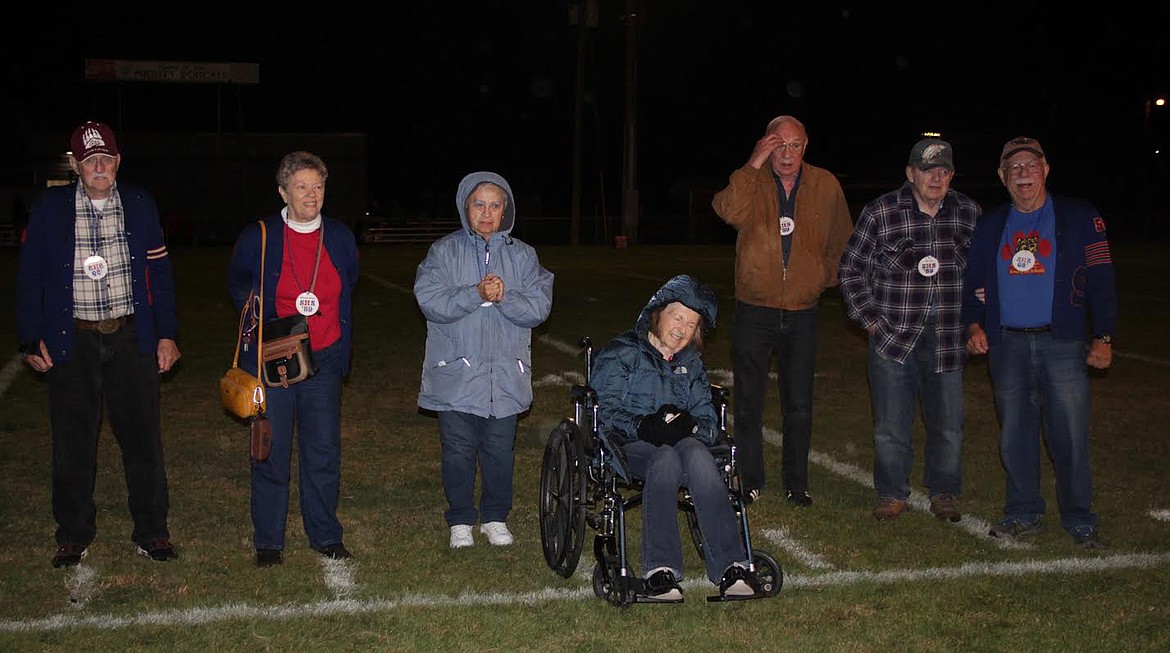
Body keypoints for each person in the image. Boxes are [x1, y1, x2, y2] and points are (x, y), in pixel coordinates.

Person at [16, 120, 181, 567]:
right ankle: (72, 532)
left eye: (106, 158)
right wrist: (30, 336)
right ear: (75, 165)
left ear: (118, 160)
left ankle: (152, 530)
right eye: (90, 161)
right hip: (73, 342)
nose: (100, 166)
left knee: (143, 442)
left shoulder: (140, 204)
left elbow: (160, 276)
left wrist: (166, 334)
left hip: (131, 338)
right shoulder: (50, 208)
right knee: (72, 443)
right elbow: (30, 277)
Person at [962, 136, 1117, 549]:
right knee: (1015, 434)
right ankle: (1023, 512)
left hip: (1062, 343)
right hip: (1007, 345)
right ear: (1002, 176)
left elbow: (1102, 280)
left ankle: (1080, 518)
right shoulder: (990, 224)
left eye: (1031, 165)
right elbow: (972, 282)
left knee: (1069, 435)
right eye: (1014, 168)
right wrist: (974, 326)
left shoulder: (1079, 216)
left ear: (1046, 170)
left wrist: (1103, 335)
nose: (1023, 173)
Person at [711, 114, 854, 507]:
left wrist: (820, 277)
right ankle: (751, 479)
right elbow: (727, 211)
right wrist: (754, 162)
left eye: (794, 145)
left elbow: (843, 240)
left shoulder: (825, 184)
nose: (787, 154)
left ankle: (797, 483)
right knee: (749, 401)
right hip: (754, 309)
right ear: (767, 145)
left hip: (803, 311)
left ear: (805, 147)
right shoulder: (751, 179)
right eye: (779, 145)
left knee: (799, 403)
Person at [590, 274, 760, 602]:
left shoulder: (691, 364)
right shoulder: (622, 352)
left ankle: (731, 566)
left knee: (698, 453)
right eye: (677, 317)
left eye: (691, 324)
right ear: (658, 313)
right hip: (628, 445)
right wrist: (643, 426)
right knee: (665, 457)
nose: (682, 329)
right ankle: (661, 571)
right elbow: (605, 412)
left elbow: (708, 421)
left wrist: (690, 427)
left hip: (680, 444)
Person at [227, 151, 360, 567]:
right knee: (270, 448)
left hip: (324, 358)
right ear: (283, 191)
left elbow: (348, 283)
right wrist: (267, 322)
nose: (311, 194)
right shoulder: (260, 235)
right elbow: (238, 285)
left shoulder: (339, 235)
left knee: (323, 451)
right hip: (275, 361)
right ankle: (269, 540)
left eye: (318, 186)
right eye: (301, 186)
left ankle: (325, 534)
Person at [838, 138, 982, 522]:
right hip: (894, 336)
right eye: (928, 169)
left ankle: (945, 491)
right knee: (890, 424)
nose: (936, 177)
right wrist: (871, 321)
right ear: (910, 173)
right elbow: (851, 270)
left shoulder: (968, 212)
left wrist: (977, 319)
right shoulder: (881, 212)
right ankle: (891, 493)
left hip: (949, 337)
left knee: (949, 422)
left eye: (944, 170)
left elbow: (983, 275)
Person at [414, 171, 553, 549]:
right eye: (479, 204)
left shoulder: (524, 256)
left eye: (495, 205)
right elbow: (430, 300)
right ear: (466, 208)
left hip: (505, 376)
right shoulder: (443, 252)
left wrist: (505, 297)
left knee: (499, 451)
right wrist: (475, 293)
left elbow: (539, 307)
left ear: (505, 209)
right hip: (457, 374)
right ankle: (460, 519)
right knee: (458, 450)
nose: (487, 213)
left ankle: (494, 516)